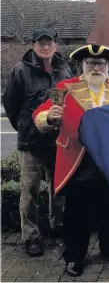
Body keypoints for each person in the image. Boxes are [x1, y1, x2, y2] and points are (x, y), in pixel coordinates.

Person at [32, 44, 109, 277]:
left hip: (108, 161)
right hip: (78, 160)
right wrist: (49, 117)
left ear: (108, 67)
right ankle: (75, 256)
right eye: (90, 63)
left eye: (100, 64)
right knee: (78, 215)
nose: (96, 67)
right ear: (82, 66)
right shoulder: (66, 88)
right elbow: (40, 115)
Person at [2, 28, 73, 256]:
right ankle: (31, 236)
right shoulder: (20, 71)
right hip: (31, 143)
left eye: (49, 43)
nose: (45, 47)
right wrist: (26, 129)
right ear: (33, 45)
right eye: (40, 43)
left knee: (58, 187)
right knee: (29, 191)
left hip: (58, 140)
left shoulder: (64, 68)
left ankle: (57, 225)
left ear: (55, 45)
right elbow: (11, 106)